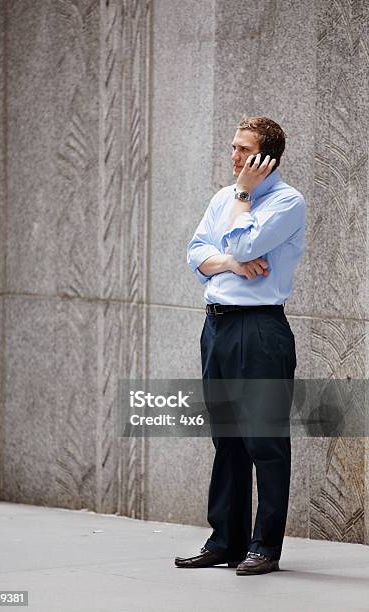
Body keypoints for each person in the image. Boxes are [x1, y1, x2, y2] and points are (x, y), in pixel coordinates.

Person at [175, 116, 306, 576]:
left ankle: (264, 547)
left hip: (260, 329)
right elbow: (196, 253)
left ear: (265, 158)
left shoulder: (287, 202)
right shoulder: (223, 198)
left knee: (264, 439)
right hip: (217, 328)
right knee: (226, 437)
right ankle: (225, 540)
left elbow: (247, 242)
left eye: (242, 150)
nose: (233, 157)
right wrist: (228, 260)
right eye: (232, 147)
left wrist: (245, 200)